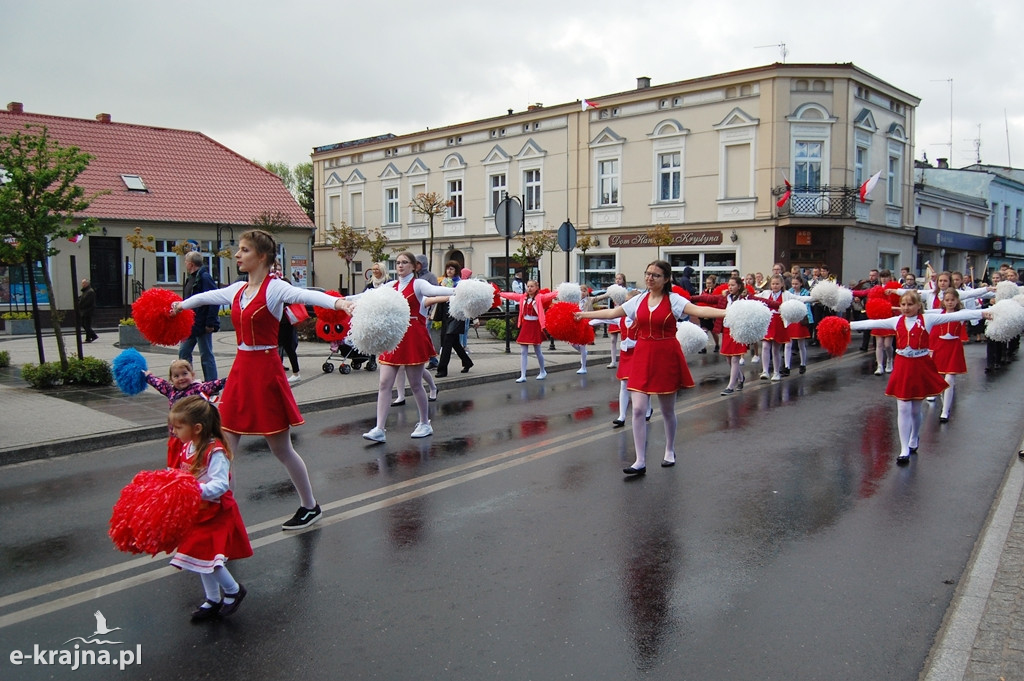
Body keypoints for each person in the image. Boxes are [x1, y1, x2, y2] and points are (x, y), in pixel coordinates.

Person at [174, 229, 349, 530]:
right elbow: (207, 296)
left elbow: (307, 295)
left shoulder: (275, 288)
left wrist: (338, 304)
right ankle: (220, 509)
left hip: (266, 371)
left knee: (281, 449)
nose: (238, 255)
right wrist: (180, 305)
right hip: (242, 369)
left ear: (262, 256)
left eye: (244, 250)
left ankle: (310, 506)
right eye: (239, 250)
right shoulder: (239, 290)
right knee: (226, 445)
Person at [576, 260, 726, 476]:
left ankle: (669, 450)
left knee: (667, 410)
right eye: (647, 274)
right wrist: (584, 315)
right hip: (643, 354)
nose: (649, 278)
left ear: (666, 279)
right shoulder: (638, 300)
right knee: (637, 409)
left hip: (666, 355)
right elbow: (613, 313)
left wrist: (727, 313)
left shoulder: (674, 300)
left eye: (655, 275)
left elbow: (699, 310)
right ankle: (640, 460)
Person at [849, 290, 988, 465]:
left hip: (920, 365)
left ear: (918, 306)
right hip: (902, 367)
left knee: (915, 409)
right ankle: (904, 448)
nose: (906, 308)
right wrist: (848, 325)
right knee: (903, 408)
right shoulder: (896, 321)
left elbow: (957, 316)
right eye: (903, 304)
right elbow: (872, 323)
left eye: (910, 304)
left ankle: (914, 436)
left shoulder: (928, 319)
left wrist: (983, 313)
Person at [347, 251, 456, 443]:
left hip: (414, 335)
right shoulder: (391, 286)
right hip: (395, 337)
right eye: (397, 262)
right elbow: (368, 295)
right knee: (384, 383)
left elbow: (434, 291)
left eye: (405, 262)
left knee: (415, 384)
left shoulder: (419, 283)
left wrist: (458, 290)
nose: (400, 265)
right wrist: (341, 300)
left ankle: (424, 423)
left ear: (414, 266)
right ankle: (379, 428)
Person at [167, 396, 253, 621]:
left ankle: (234, 590)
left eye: (178, 426)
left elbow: (221, 484)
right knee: (199, 558)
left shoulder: (215, 451)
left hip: (215, 512)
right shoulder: (187, 446)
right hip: (197, 512)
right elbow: (179, 472)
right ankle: (213, 598)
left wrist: (193, 489)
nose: (173, 431)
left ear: (196, 428)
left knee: (208, 558)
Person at [145, 358, 227, 465]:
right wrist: (148, 376)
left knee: (192, 464)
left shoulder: (198, 388)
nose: (181, 378)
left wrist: (229, 379)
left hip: (193, 435)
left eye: (184, 374)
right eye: (176, 376)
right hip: (176, 437)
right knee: (175, 465)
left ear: (192, 375)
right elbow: (158, 383)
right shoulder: (171, 391)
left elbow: (214, 384)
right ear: (171, 379)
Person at [691, 276, 751, 395]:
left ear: (739, 286)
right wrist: (690, 298)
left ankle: (730, 386)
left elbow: (764, 303)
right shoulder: (725, 297)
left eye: (733, 285)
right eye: (729, 285)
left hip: (738, 331)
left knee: (735, 359)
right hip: (727, 331)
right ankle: (741, 377)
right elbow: (708, 298)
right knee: (729, 359)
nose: (730, 287)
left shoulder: (745, 299)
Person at [500, 280, 559, 382]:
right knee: (523, 351)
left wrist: (562, 291)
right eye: (528, 286)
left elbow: (551, 295)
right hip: (526, 325)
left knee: (537, 350)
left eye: (532, 286)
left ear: (537, 287)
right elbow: (512, 295)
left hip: (535, 325)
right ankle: (523, 375)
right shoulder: (523, 297)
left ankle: (542, 371)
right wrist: (500, 294)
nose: (529, 288)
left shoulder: (540, 297)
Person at [179, 252, 220, 381]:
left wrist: (210, 323)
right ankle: (186, 380)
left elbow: (214, 300)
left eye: (186, 262)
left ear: (191, 264)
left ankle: (211, 383)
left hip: (202, 324)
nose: (185, 264)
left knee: (206, 354)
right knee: (184, 352)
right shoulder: (190, 278)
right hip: (190, 323)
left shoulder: (204, 277)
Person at [431, 262, 472, 378]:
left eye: (452, 269)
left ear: (456, 270)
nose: (449, 271)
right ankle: (467, 362)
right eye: (448, 269)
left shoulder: (460, 283)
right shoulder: (442, 282)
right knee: (453, 342)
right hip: (445, 314)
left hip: (456, 315)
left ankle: (442, 369)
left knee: (447, 342)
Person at [272, 260, 302, 384]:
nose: (275, 270)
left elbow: (291, 298)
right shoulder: (269, 282)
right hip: (275, 321)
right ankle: (277, 371)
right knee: (276, 347)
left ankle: (295, 372)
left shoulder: (284, 282)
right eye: (273, 268)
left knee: (288, 347)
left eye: (277, 268)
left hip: (285, 321)